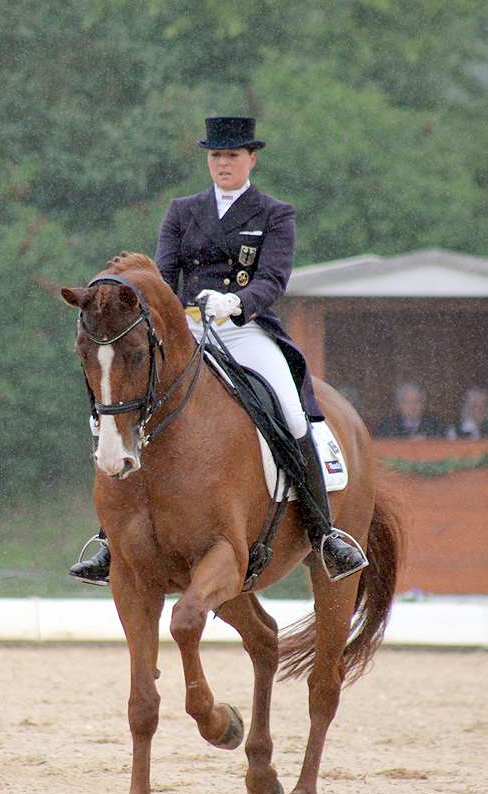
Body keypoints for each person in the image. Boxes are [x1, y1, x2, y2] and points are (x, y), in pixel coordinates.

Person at [71, 116, 367, 585]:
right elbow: (164, 278)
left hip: (246, 330)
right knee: (118, 405)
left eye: (232, 156)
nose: (223, 164)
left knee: (290, 412)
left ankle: (324, 531)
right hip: (187, 330)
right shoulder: (182, 210)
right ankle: (110, 537)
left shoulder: (274, 213)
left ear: (251, 159)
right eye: (216, 156)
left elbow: (273, 278)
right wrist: (180, 312)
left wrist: (236, 303)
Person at [377, 383, 446, 439]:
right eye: (407, 402)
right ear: (399, 404)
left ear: (423, 404)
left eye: (416, 402)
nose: (412, 407)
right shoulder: (388, 425)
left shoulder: (435, 424)